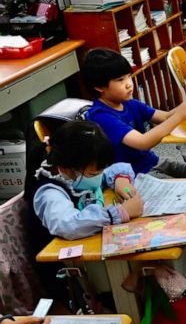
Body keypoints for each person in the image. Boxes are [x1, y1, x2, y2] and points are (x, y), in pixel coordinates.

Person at [23, 121, 143, 304]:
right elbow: (68, 225)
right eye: (96, 171)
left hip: (92, 258)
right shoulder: (49, 193)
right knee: (139, 272)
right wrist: (118, 213)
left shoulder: (77, 172)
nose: (100, 175)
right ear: (66, 169)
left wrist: (121, 181)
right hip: (69, 274)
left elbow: (113, 169)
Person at [82, 48, 186, 178]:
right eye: (120, 80)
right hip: (131, 175)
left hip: (150, 162)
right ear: (99, 87)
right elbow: (143, 142)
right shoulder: (101, 116)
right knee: (180, 187)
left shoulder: (129, 102)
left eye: (129, 76)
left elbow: (165, 117)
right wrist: (179, 115)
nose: (129, 84)